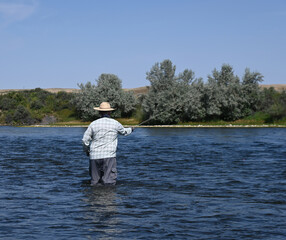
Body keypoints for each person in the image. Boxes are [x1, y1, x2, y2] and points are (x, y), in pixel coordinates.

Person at [82, 102, 134, 186]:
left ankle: (95, 198)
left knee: (95, 182)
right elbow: (124, 132)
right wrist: (131, 129)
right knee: (109, 182)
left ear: (99, 112)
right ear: (109, 112)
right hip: (109, 156)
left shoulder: (93, 124)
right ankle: (108, 198)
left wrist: (86, 150)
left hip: (94, 156)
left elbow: (85, 140)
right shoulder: (115, 123)